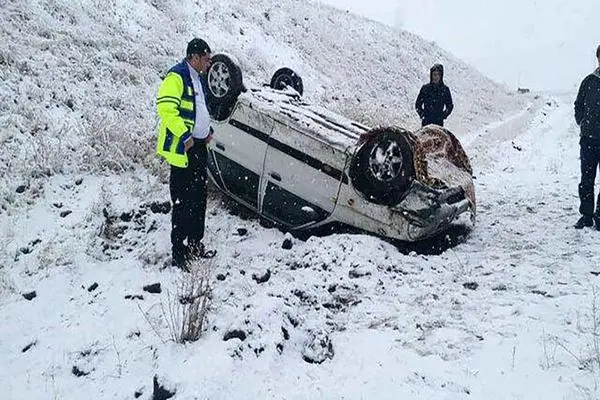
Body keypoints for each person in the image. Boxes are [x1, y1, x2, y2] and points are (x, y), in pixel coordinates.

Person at [155, 38, 216, 269]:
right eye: (207, 58)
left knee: (199, 198)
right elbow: (165, 108)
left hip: (199, 147)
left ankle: (194, 244)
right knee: (183, 201)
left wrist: (206, 130)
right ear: (195, 57)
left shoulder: (198, 78)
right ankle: (179, 254)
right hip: (184, 150)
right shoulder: (177, 76)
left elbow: (198, 110)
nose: (209, 63)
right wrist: (184, 135)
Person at [574, 44, 600, 229]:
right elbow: (578, 105)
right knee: (587, 180)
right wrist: (582, 122)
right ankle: (586, 215)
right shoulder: (589, 81)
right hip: (589, 139)